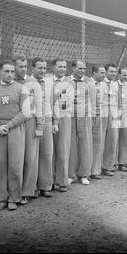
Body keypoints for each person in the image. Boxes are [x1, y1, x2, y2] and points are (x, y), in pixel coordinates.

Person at [0, 61, 30, 211]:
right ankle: (1, 198)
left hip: (15, 129)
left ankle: (14, 198)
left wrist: (8, 126)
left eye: (11, 71)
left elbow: (25, 112)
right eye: (6, 71)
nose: (10, 74)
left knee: (15, 165)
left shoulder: (22, 89)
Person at [14, 56, 44, 204]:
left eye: (25, 66)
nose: (23, 69)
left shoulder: (33, 83)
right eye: (20, 66)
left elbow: (39, 105)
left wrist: (40, 125)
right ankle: (14, 192)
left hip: (30, 122)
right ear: (14, 67)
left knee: (30, 158)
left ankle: (28, 191)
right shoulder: (10, 82)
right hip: (14, 124)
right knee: (16, 159)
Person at [30, 57, 59, 198]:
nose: (42, 70)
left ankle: (45, 186)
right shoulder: (27, 83)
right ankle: (32, 188)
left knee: (47, 154)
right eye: (39, 68)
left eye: (44, 68)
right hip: (31, 121)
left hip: (47, 120)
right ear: (33, 68)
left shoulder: (49, 83)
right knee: (32, 156)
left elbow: (55, 103)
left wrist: (55, 122)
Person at [68, 60, 96, 185]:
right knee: (71, 144)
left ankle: (84, 174)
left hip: (84, 116)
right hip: (70, 116)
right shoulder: (66, 81)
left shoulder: (89, 82)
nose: (82, 71)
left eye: (84, 69)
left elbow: (92, 100)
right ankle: (71, 174)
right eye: (80, 68)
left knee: (85, 144)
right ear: (73, 68)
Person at [52, 58, 74, 192]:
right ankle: (50, 181)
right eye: (59, 66)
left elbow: (67, 101)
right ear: (53, 67)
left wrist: (55, 98)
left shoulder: (69, 82)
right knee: (49, 151)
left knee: (63, 149)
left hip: (63, 117)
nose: (62, 69)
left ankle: (62, 181)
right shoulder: (48, 81)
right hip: (49, 117)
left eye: (64, 67)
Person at [101, 63, 122, 173]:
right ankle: (97, 167)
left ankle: (108, 166)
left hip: (113, 115)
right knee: (101, 141)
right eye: (111, 71)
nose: (113, 74)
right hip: (103, 114)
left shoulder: (115, 85)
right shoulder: (100, 83)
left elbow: (118, 101)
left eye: (115, 72)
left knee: (112, 140)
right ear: (106, 72)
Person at [90, 64, 106, 179]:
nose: (103, 75)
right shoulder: (86, 83)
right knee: (86, 145)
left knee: (98, 143)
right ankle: (85, 170)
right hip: (87, 117)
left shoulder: (104, 85)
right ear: (94, 73)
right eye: (101, 73)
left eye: (104, 73)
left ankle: (95, 170)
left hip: (99, 116)